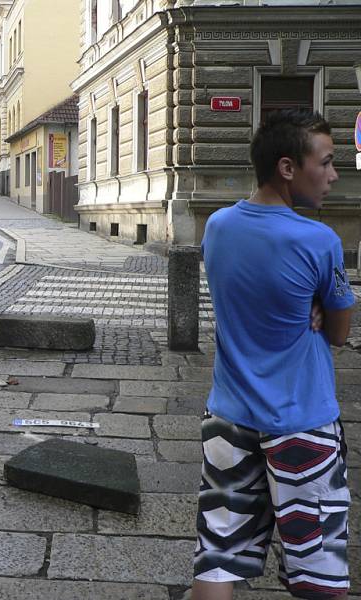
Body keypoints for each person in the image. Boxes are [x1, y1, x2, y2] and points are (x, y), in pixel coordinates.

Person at [192, 108, 354, 600]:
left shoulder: (218, 226)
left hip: (227, 419)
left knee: (216, 563)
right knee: (318, 574)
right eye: (325, 162)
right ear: (288, 168)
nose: (333, 175)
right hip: (302, 423)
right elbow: (342, 332)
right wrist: (322, 309)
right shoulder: (320, 241)